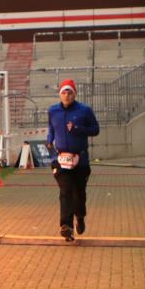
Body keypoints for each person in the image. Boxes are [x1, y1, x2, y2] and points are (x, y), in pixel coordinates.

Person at [46, 79, 100, 240]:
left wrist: (78, 129)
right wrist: (49, 139)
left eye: (70, 92)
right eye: (64, 92)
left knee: (79, 194)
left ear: (75, 94)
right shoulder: (53, 111)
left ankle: (80, 217)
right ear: (60, 94)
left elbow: (96, 129)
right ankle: (66, 226)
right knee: (66, 191)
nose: (67, 95)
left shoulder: (85, 110)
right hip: (61, 158)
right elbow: (51, 128)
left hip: (80, 159)